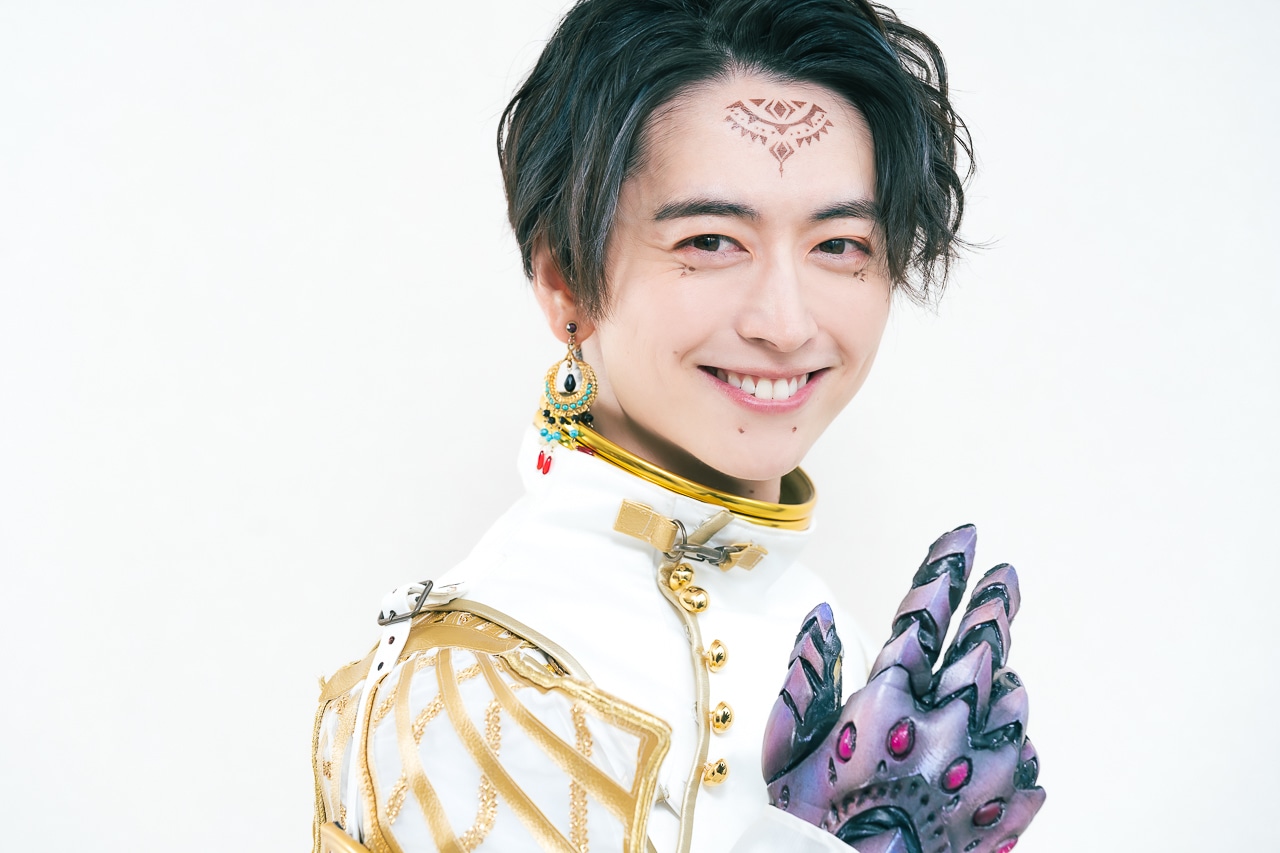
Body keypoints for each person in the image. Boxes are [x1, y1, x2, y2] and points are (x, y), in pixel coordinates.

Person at [310, 0, 1044, 850]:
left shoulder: (819, 623)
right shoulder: (467, 687)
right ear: (564, 280)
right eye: (711, 241)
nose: (785, 322)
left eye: (840, 244)